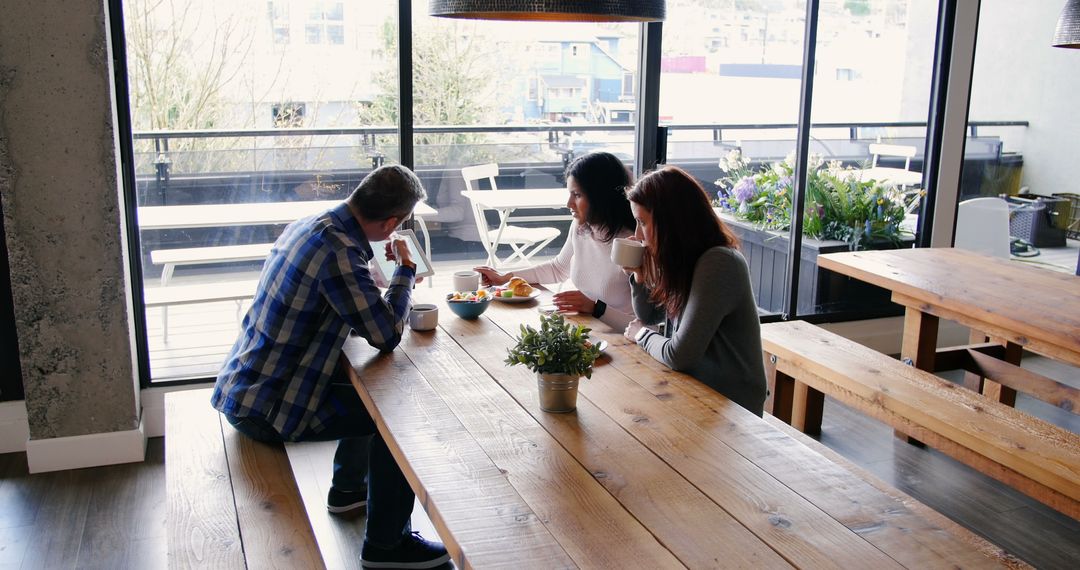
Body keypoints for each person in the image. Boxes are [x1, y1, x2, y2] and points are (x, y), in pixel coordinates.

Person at [211, 165, 449, 569]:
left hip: (248, 385)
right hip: (270, 407)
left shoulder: (315, 225)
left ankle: (347, 491)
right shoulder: (339, 252)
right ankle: (386, 548)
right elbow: (386, 333)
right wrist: (405, 271)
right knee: (396, 421)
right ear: (391, 221)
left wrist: (374, 278)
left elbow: (342, 301)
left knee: (371, 391)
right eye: (399, 224)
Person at [621, 165, 767, 416]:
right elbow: (650, 316)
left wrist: (641, 336)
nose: (637, 235)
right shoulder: (684, 258)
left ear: (671, 222)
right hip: (697, 387)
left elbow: (679, 355)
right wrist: (639, 275)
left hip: (731, 404)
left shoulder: (719, 262)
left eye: (642, 222)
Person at [474, 152, 637, 329]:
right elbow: (558, 269)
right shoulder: (581, 227)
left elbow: (647, 329)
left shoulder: (631, 245)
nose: (569, 203)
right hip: (584, 330)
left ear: (601, 196)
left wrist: (596, 308)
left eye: (577, 195)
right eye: (569, 193)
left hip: (623, 345)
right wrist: (504, 277)